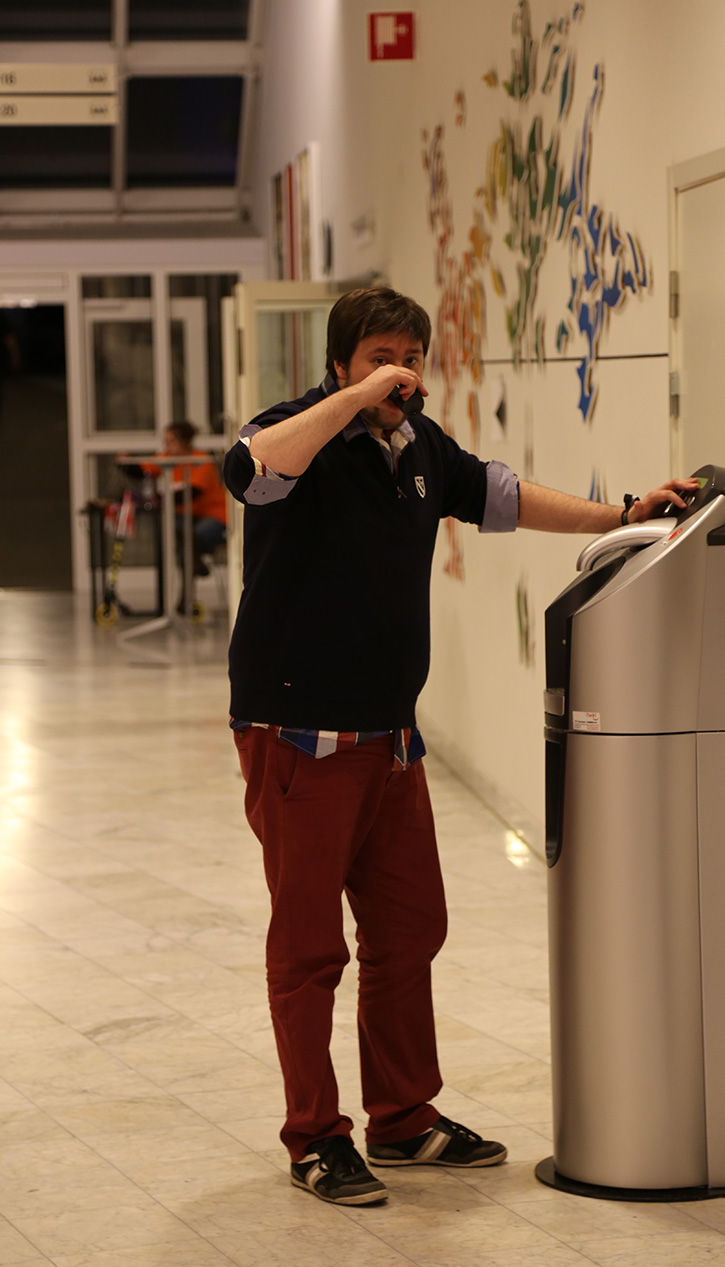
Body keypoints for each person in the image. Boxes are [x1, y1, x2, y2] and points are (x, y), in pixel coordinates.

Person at [223, 286, 695, 1208]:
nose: (400, 374)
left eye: (410, 358)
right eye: (380, 358)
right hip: (301, 735)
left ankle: (402, 1117)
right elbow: (250, 469)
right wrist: (354, 402)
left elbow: (502, 497)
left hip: (390, 735)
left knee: (409, 930)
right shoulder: (300, 433)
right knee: (309, 948)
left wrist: (622, 514)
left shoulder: (421, 449)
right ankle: (315, 1136)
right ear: (340, 364)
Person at [162, 421, 227, 578]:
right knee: (175, 532)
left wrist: (163, 498)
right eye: (165, 442)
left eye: (171, 441)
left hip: (214, 513)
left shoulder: (201, 460)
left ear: (184, 442)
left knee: (190, 537)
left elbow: (195, 491)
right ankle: (191, 570)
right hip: (188, 514)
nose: (167, 446)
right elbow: (146, 467)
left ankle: (193, 566)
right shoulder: (167, 458)